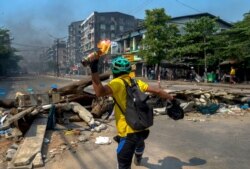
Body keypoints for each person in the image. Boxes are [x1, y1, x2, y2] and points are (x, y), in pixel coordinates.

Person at [87, 55, 173, 169]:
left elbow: (99, 92)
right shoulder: (136, 82)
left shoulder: (117, 82)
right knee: (140, 142)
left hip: (128, 133)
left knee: (123, 164)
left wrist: (93, 69)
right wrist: (172, 99)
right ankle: (138, 158)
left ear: (114, 70)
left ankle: (135, 158)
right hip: (143, 128)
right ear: (128, 70)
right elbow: (157, 90)